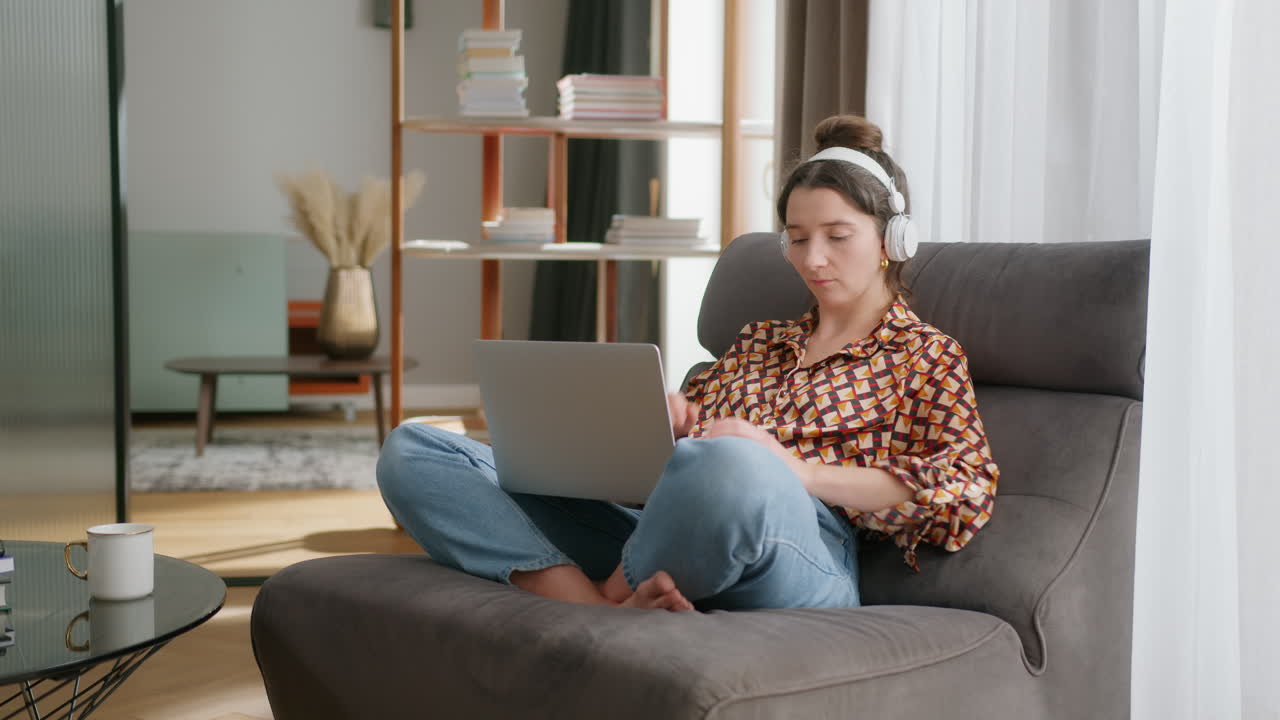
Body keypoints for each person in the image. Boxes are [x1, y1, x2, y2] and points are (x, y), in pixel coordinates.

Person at [376, 114, 999, 613]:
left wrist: (792, 469)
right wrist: (663, 425)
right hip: (665, 526)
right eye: (797, 236)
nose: (813, 259)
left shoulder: (924, 354)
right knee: (414, 450)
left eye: (837, 236)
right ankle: (588, 607)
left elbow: (964, 489)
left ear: (892, 239)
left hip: (802, 550)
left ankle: (598, 600)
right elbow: (682, 470)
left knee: (730, 466)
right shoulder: (757, 341)